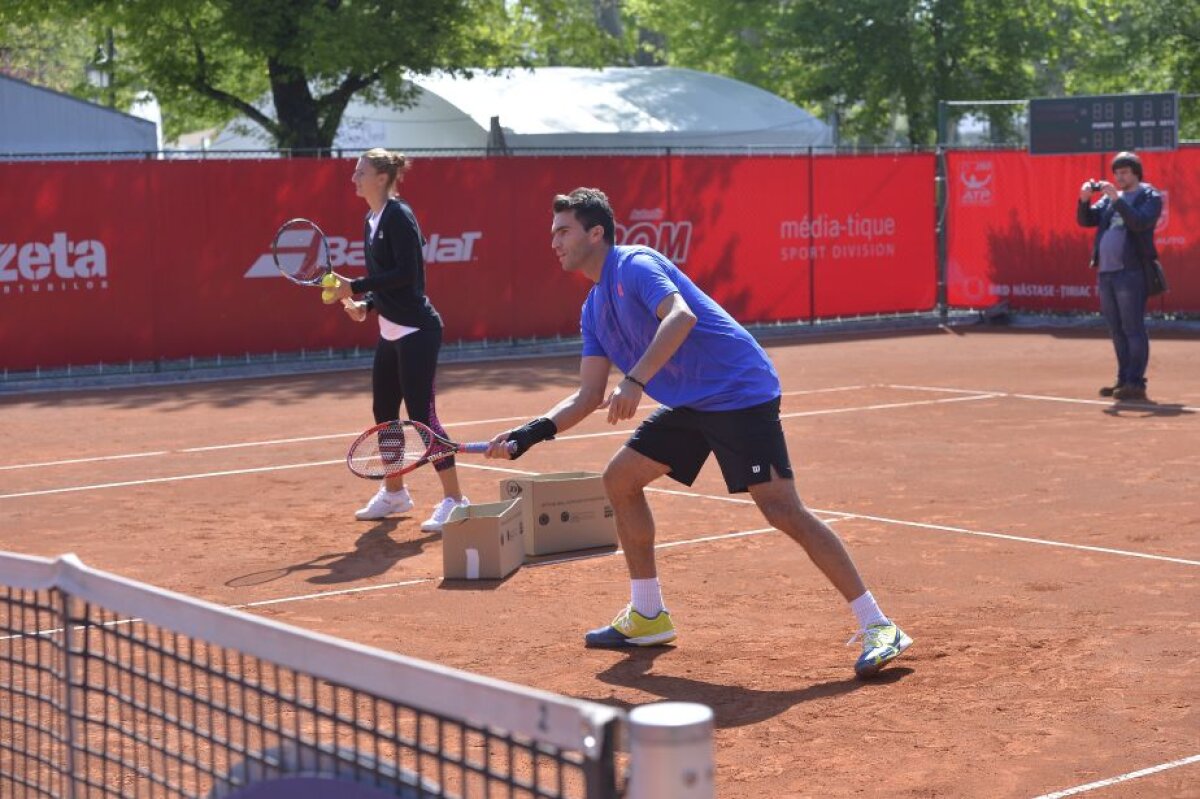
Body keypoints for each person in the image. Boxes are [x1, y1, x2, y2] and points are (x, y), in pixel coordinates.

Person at [486, 187, 912, 678]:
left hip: (738, 391)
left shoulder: (635, 265)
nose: (554, 242)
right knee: (620, 480)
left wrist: (636, 380)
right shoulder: (593, 308)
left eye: (563, 231)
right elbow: (586, 397)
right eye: (552, 233)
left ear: (595, 232)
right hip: (692, 403)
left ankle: (878, 624)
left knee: (781, 509)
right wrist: (528, 434)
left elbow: (681, 316)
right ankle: (648, 615)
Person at [328, 148, 469, 530]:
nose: (353, 177)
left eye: (360, 171)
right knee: (384, 415)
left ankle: (456, 499)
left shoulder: (399, 216)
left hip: (418, 330)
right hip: (390, 331)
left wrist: (354, 284)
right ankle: (395, 493)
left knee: (422, 417)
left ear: (381, 178)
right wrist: (366, 304)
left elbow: (408, 273)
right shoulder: (370, 220)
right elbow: (387, 279)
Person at [1076, 151, 1164, 402]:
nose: (1119, 177)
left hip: (1131, 272)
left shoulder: (1150, 196)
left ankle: (1136, 382)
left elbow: (1139, 223)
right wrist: (1084, 199)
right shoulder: (1110, 199)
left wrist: (1117, 199)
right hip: (1106, 272)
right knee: (1116, 330)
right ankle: (1123, 379)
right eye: (1116, 172)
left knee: (1132, 328)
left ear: (1136, 173)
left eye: (1124, 172)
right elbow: (1086, 220)